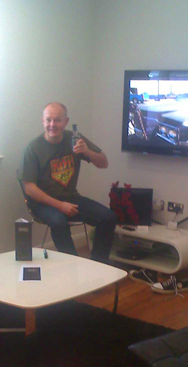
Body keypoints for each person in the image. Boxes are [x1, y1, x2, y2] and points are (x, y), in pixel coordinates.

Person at [19, 102, 117, 263]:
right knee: (59, 222)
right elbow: (29, 188)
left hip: (70, 197)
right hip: (41, 203)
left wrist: (87, 152)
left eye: (57, 120)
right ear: (42, 121)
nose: (52, 125)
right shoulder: (33, 148)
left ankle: (98, 265)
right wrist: (59, 205)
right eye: (48, 120)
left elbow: (103, 163)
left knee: (108, 217)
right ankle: (72, 265)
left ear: (66, 121)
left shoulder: (75, 138)